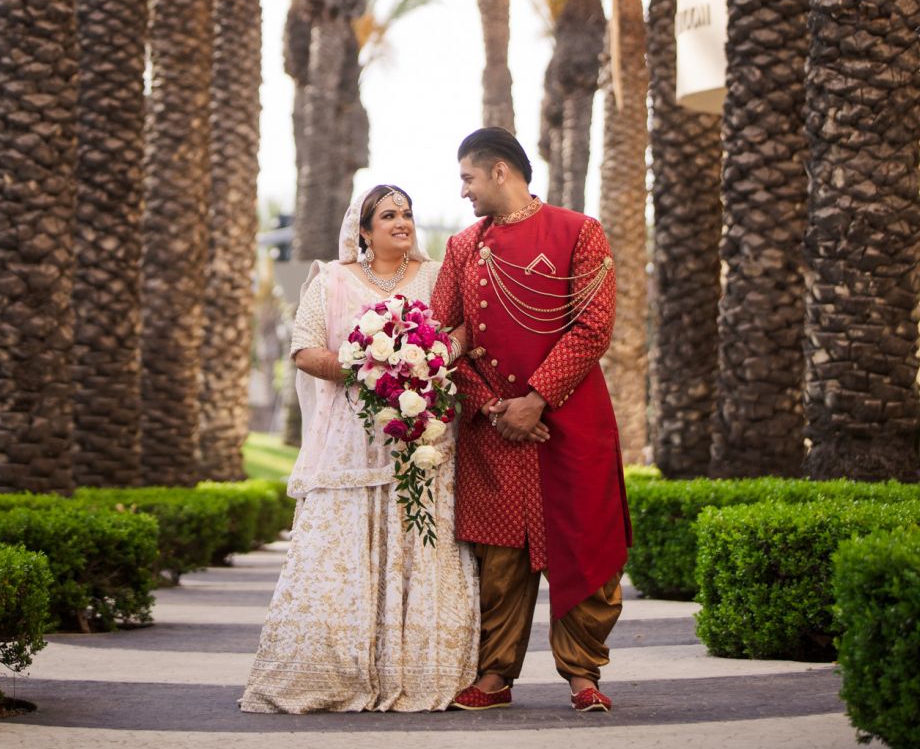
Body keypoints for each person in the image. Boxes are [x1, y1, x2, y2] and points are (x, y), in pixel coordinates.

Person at [240, 185, 478, 714]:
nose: (402, 222)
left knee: (418, 544)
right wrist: (373, 366)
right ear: (364, 231)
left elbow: (463, 328)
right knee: (341, 548)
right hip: (352, 439)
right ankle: (334, 672)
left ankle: (417, 672)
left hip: (421, 439)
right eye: (389, 215)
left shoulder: (437, 276)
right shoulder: (332, 280)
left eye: (408, 214)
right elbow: (303, 349)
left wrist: (433, 353)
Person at [430, 127, 632, 714]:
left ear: (500, 171)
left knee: (585, 548)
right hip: (492, 427)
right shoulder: (463, 247)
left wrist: (537, 399)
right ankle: (494, 677)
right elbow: (440, 340)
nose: (463, 190)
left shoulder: (580, 232)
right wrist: (495, 407)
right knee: (500, 559)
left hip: (570, 420)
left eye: (468, 177)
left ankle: (583, 675)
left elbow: (594, 326)